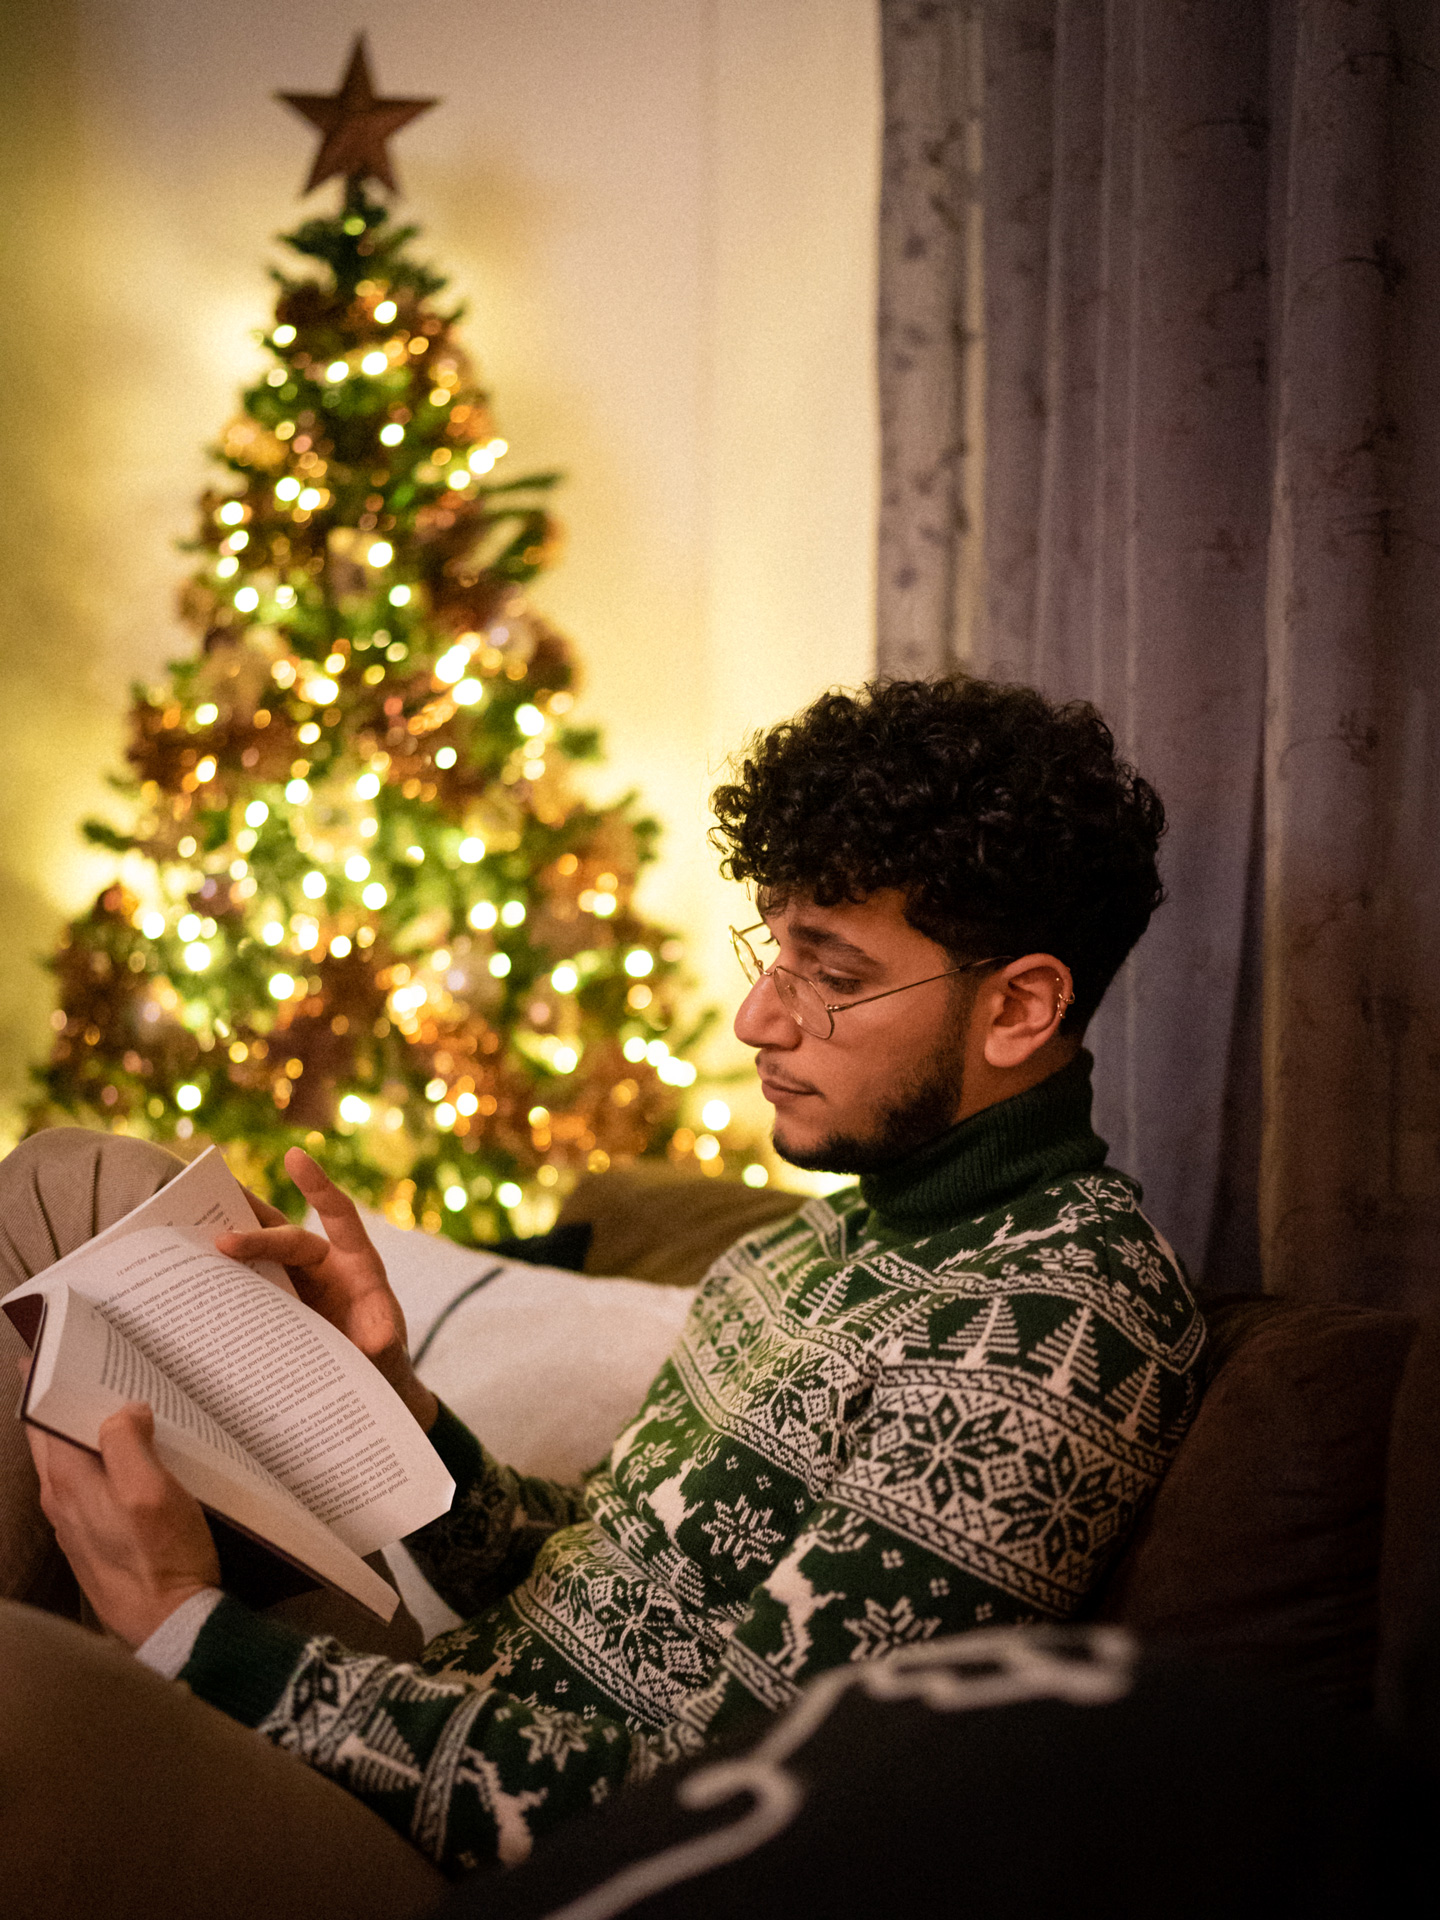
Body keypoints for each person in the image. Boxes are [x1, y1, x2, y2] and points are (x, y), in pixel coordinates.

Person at [2, 675, 1205, 1881]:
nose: (755, 1020)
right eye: (773, 950)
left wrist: (193, 1638)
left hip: (466, 1852)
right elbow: (584, 1564)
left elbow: (723, 1805)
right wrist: (390, 1398)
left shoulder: (1057, 1330)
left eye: (830, 976)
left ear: (1021, 1007)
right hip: (420, 1690)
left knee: (18, 1679)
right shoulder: (798, 1249)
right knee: (70, 1178)